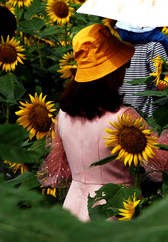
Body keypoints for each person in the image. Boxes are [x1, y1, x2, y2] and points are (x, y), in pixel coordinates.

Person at [38, 23, 142, 222]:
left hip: (73, 208)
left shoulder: (64, 115)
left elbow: (56, 169)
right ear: (111, 71)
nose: (125, 70)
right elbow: (164, 163)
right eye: (123, 64)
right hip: (116, 209)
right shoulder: (124, 117)